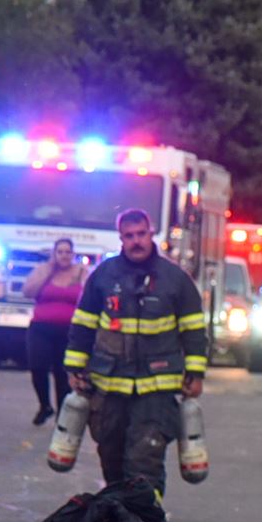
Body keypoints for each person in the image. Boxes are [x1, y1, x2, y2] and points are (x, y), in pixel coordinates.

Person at [63, 208, 208, 497]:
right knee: (111, 454)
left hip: (157, 387)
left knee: (145, 456)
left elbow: (193, 329)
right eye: (129, 236)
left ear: (151, 233)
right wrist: (75, 368)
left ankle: (146, 520)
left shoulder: (174, 279)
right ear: (121, 238)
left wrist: (195, 373)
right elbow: (83, 324)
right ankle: (118, 513)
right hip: (110, 384)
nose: (136, 241)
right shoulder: (104, 276)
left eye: (141, 234)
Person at [20, 237, 88, 424]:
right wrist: (48, 272)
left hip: (68, 330)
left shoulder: (81, 272)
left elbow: (88, 298)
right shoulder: (43, 270)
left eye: (68, 252)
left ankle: (61, 414)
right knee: (38, 367)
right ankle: (44, 405)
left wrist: (80, 281)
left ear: (73, 254)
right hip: (41, 328)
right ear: (54, 254)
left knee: (62, 372)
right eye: (60, 252)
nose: (64, 256)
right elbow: (28, 292)